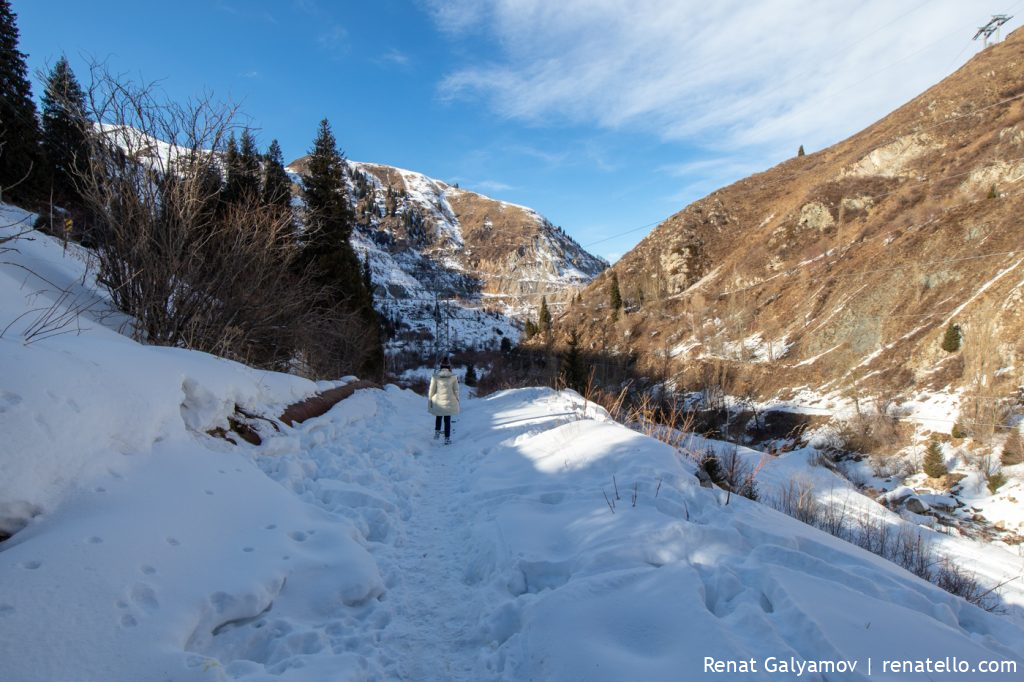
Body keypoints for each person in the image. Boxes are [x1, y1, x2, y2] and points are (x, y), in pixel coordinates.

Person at [428, 358, 460, 445]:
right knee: (447, 420)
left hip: (438, 401)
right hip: (449, 401)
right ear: (449, 366)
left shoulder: (435, 376)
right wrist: (457, 400)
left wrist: (430, 400)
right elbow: (456, 390)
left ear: (440, 366)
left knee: (438, 416)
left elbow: (431, 390)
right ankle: (447, 438)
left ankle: (437, 433)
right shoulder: (453, 377)